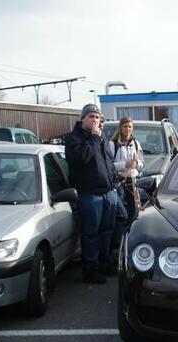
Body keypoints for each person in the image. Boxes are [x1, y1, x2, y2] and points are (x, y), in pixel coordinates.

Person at [65, 104, 118, 284]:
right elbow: (83, 157)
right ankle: (90, 269)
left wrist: (113, 182)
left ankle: (105, 262)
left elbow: (107, 162)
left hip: (107, 192)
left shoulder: (101, 138)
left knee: (107, 231)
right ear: (82, 119)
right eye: (91, 117)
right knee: (91, 233)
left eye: (97, 117)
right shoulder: (74, 138)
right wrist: (95, 139)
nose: (95, 120)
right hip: (89, 195)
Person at [108, 117, 144, 245]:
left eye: (130, 127)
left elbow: (141, 164)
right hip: (119, 183)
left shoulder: (135, 143)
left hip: (133, 181)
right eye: (125, 126)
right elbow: (109, 165)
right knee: (121, 215)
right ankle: (119, 243)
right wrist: (125, 164)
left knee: (134, 213)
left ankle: (132, 241)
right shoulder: (113, 144)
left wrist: (136, 163)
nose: (127, 129)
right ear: (120, 127)